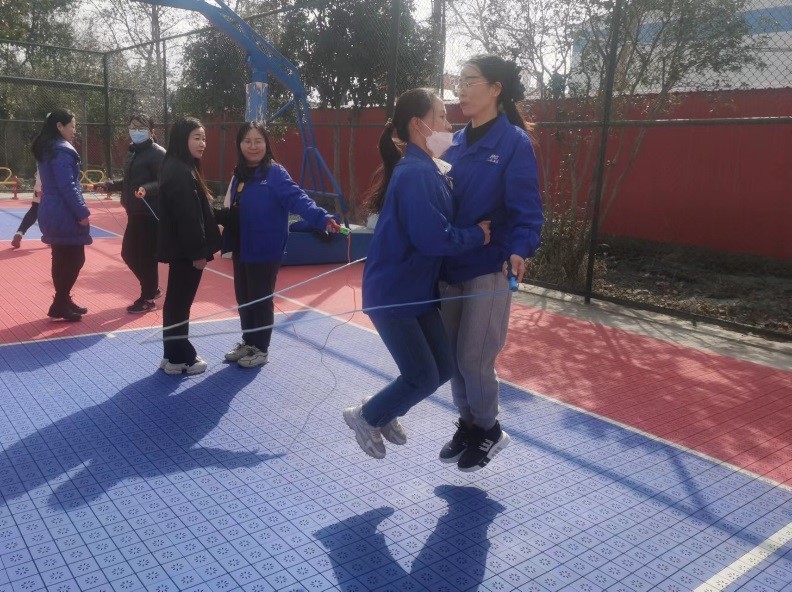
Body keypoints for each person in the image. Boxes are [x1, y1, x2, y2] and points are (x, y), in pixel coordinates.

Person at [342, 88, 491, 459]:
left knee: (442, 368)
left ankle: (384, 410)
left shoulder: (429, 169)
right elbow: (432, 237)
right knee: (422, 375)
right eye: (441, 116)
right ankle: (367, 415)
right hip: (394, 293)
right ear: (418, 125)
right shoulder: (415, 173)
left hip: (417, 291)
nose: (449, 125)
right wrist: (478, 235)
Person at [438, 55, 544, 472]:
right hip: (450, 264)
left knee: (475, 357)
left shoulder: (513, 143)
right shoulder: (451, 142)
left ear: (496, 88)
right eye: (459, 82)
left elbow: (526, 209)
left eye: (471, 81)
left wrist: (520, 248)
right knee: (452, 357)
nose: (461, 90)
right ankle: (468, 424)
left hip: (489, 265)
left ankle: (489, 429)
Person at [216, 122, 341, 368]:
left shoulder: (275, 173)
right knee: (244, 298)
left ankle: (261, 348)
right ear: (239, 145)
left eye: (258, 141)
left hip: (266, 248)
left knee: (260, 299)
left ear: (266, 144)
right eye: (247, 141)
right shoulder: (240, 174)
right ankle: (248, 342)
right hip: (241, 246)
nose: (253, 146)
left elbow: (299, 199)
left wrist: (322, 218)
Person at [157, 117, 222, 375]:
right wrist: (198, 252)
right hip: (186, 251)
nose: (202, 143)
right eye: (196, 137)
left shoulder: (177, 167)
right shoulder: (181, 171)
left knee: (175, 302)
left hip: (180, 249)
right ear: (182, 139)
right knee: (180, 304)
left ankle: (171, 354)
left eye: (204, 138)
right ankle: (181, 357)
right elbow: (188, 217)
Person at [33, 109, 92, 322]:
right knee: (75, 258)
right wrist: (82, 212)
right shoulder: (62, 150)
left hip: (50, 208)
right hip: (63, 210)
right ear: (59, 126)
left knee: (60, 257)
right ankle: (60, 302)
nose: (74, 131)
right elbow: (67, 186)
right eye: (72, 126)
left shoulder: (47, 147)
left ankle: (63, 300)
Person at [104, 114, 166, 313]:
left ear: (152, 131)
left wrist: (147, 189)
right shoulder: (133, 152)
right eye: (133, 127)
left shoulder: (158, 153)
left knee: (144, 257)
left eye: (141, 127)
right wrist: (109, 185)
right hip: (135, 211)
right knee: (129, 254)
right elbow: (129, 182)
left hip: (150, 213)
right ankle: (151, 289)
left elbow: (164, 181)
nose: (136, 131)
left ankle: (148, 298)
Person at [10, 169, 42, 249]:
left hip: (41, 189)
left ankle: (19, 233)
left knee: (34, 211)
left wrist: (38, 189)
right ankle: (53, 238)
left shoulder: (42, 162)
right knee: (54, 214)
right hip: (52, 192)